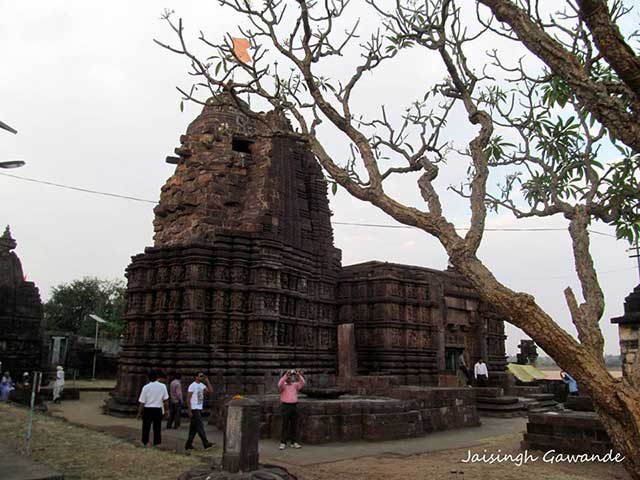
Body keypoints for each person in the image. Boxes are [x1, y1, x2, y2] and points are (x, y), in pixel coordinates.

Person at [137, 370, 169, 447]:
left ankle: (145, 442)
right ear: (157, 377)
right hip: (158, 409)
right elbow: (166, 400)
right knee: (157, 427)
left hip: (147, 409)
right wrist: (167, 410)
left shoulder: (146, 387)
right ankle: (157, 442)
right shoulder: (163, 386)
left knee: (146, 427)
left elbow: (142, 402)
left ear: (148, 378)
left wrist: (139, 412)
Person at [185, 372, 214, 451]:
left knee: (193, 429)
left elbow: (211, 391)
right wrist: (189, 410)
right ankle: (206, 443)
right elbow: (188, 399)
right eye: (200, 376)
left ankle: (188, 444)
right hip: (194, 408)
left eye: (202, 376)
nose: (202, 377)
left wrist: (207, 380)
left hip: (199, 408)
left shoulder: (202, 385)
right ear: (196, 377)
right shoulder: (192, 386)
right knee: (200, 427)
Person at [278, 369, 305, 450]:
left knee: (294, 425)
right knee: (285, 425)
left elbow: (303, 383)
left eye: (290, 377)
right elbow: (279, 384)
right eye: (288, 377)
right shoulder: (283, 386)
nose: (290, 378)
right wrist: (286, 375)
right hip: (285, 406)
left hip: (294, 406)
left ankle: (294, 442)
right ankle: (283, 442)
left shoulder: (295, 385)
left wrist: (298, 375)